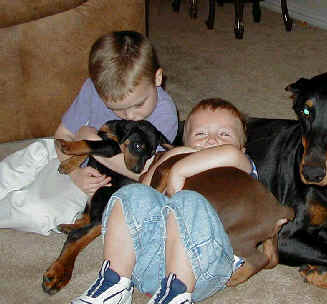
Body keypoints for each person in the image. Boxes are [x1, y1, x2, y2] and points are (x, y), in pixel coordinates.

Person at [72, 98, 257, 304]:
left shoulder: (239, 164)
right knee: (132, 193)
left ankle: (176, 295)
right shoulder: (178, 156)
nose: (212, 140)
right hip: (147, 265)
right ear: (185, 144)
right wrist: (173, 156)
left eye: (224, 134)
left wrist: (179, 170)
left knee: (189, 200)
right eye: (200, 134)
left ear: (242, 149)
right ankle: (114, 283)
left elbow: (229, 154)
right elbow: (147, 194)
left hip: (206, 267)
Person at [0, 31, 178, 236]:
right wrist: (74, 172)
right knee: (31, 157)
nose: (130, 116)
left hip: (98, 182)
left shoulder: (165, 114)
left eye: (139, 104)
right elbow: (63, 133)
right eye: (116, 109)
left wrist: (92, 145)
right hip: (70, 157)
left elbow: (148, 173)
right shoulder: (93, 88)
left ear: (157, 78)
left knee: (38, 212)